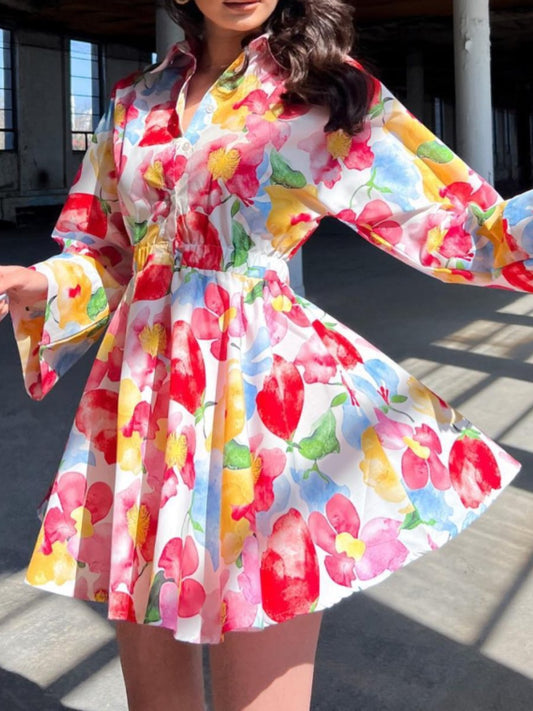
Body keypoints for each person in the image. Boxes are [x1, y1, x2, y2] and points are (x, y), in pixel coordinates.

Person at [1, 0, 532, 709]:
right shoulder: (137, 100)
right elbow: (108, 255)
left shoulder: (325, 88)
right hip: (141, 413)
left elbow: (465, 228)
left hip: (263, 405)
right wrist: (34, 282)